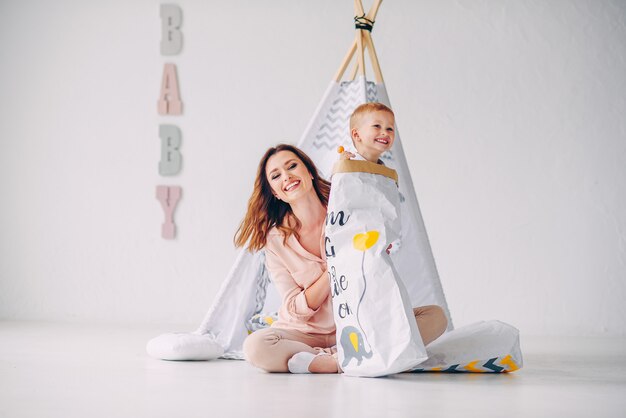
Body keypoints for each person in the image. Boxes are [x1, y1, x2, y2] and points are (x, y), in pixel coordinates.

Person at [237, 143, 447, 374]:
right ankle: (343, 358)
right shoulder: (276, 240)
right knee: (256, 347)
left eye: (292, 166)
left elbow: (378, 229)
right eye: (276, 176)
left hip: (358, 323)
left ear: (308, 171)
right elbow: (293, 308)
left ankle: (330, 360)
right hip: (303, 334)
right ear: (275, 192)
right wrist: (335, 269)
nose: (286, 176)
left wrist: (356, 166)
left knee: (435, 317)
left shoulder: (347, 212)